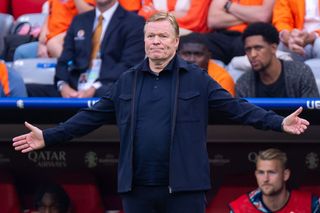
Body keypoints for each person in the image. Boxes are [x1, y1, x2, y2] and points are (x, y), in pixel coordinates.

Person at [13, 12, 310, 213]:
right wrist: (49, 137)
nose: (156, 41)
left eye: (163, 37)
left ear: (176, 42)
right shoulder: (126, 80)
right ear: (144, 41)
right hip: (136, 190)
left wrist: (278, 121)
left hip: (186, 189)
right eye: (151, 36)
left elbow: (239, 109)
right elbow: (88, 118)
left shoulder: (197, 79)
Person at [27, 0, 145, 98]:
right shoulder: (79, 20)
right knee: (28, 90)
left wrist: (95, 88)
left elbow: (129, 66)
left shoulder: (134, 22)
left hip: (107, 88)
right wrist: (63, 86)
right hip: (74, 89)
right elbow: (63, 60)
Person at [235, 22, 319, 98]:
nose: (252, 55)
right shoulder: (243, 84)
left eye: (258, 48)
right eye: (248, 49)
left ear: (273, 48)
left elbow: (312, 113)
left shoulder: (301, 73)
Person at [229, 148, 320, 212]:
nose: (265, 179)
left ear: (285, 175)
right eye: (261, 172)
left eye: (271, 172)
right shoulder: (240, 208)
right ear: (256, 175)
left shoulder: (311, 205)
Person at [14, 0, 95, 60]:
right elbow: (49, 17)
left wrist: (51, 44)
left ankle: (72, 71)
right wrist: (42, 44)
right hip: (50, 42)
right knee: (21, 52)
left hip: (72, 38)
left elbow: (89, 15)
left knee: (53, 44)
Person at [205, 0, 275, 65]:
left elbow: (263, 16)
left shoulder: (228, 5)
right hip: (223, 35)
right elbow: (213, 20)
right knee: (196, 41)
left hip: (251, 35)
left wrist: (229, 6)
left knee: (247, 46)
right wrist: (251, 17)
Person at [138, 0, 211, 34]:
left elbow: (195, 22)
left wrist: (155, 13)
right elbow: (142, 16)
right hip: (157, 32)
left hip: (189, 37)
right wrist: (176, 15)